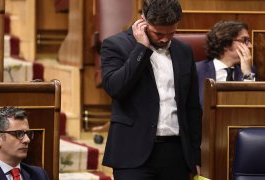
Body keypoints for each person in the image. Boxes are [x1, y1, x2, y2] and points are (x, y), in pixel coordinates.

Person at [100, 0, 202, 179]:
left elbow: (192, 107)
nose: (165, 39)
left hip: (176, 153)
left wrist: (195, 156)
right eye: (158, 33)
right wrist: (141, 48)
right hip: (132, 152)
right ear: (143, 20)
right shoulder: (115, 45)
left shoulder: (184, 51)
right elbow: (116, 88)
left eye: (171, 33)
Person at [196, 20, 255, 106]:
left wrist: (247, 73)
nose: (250, 46)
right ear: (226, 44)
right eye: (244, 40)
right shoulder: (197, 70)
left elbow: (253, 103)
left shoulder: (250, 69)